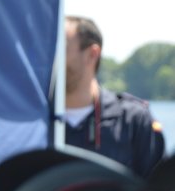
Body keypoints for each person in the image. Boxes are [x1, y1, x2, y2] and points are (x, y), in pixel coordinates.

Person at [64, 15, 165, 177]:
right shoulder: (33, 119)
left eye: (61, 48)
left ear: (92, 54)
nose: (50, 58)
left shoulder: (133, 121)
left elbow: (158, 189)